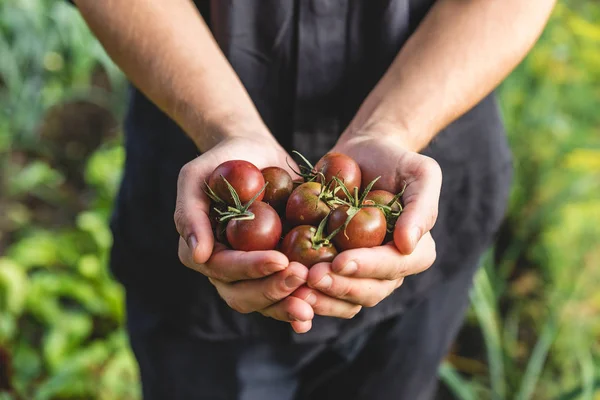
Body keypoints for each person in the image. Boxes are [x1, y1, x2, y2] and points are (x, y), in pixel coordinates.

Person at [70, 1, 555, 399]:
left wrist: (392, 128)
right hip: (192, 205)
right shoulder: (282, 204)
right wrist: (225, 126)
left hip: (427, 208)